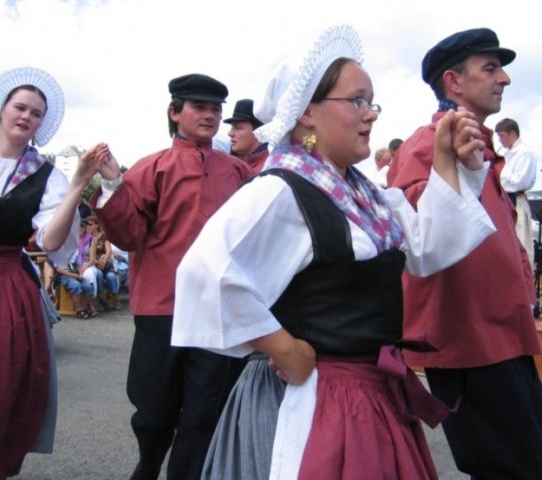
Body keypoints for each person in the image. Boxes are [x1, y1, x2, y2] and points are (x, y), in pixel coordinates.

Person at [171, 24, 495, 480]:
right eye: (357, 101)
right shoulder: (282, 191)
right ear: (306, 113)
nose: (371, 114)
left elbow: (426, 249)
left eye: (372, 102)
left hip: (368, 395)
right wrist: (282, 347)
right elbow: (204, 272)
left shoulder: (367, 196)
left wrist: (450, 163)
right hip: (316, 401)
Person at [82, 73, 254, 480]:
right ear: (175, 112)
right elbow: (128, 235)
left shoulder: (239, 171)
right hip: (163, 307)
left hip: (217, 310)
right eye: (199, 107)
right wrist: (112, 183)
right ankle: (147, 465)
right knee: (154, 410)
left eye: (216, 109)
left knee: (203, 413)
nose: (210, 116)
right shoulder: (150, 168)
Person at [387, 27, 542, 479]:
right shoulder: (427, 142)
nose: (505, 79)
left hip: (501, 338)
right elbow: (416, 238)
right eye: (490, 68)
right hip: (469, 346)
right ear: (453, 81)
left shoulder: (476, 142)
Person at [0, 66, 94, 478]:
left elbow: (50, 242)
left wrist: (75, 188)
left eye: (35, 113)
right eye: (20, 107)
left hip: (0, 286)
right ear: (0, 110)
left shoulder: (48, 177)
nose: (26, 116)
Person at [495, 117, 537, 268]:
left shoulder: (525, 153)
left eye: (501, 136)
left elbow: (521, 181)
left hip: (516, 201)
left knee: (520, 244)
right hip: (502, 201)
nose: (500, 140)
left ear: (512, 133)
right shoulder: (503, 153)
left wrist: (498, 173)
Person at [224, 98, 269, 172]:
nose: (230, 133)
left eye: (238, 128)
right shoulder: (240, 164)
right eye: (232, 127)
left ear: (258, 131)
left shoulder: (267, 169)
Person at [87, 215, 121, 310]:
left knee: (111, 276)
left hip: (104, 263)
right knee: (98, 275)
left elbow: (109, 251)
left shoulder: (104, 236)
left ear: (97, 225)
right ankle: (101, 299)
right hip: (93, 263)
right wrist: (97, 262)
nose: (88, 226)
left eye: (90, 224)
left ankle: (116, 299)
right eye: (87, 224)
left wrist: (104, 261)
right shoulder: (86, 238)